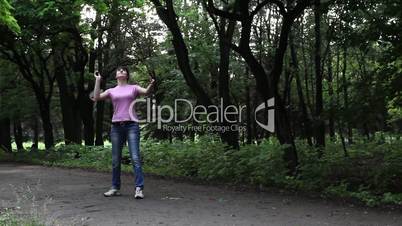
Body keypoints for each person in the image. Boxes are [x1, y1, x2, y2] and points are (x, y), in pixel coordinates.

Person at [91, 66, 155, 199]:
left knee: (135, 158)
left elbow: (146, 92)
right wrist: (98, 80)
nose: (121, 71)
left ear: (127, 75)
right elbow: (96, 97)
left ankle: (139, 188)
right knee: (115, 159)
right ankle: (115, 188)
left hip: (132, 125)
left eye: (124, 70)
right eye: (119, 70)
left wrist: (151, 84)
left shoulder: (134, 88)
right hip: (116, 127)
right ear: (116, 75)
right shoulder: (111, 91)